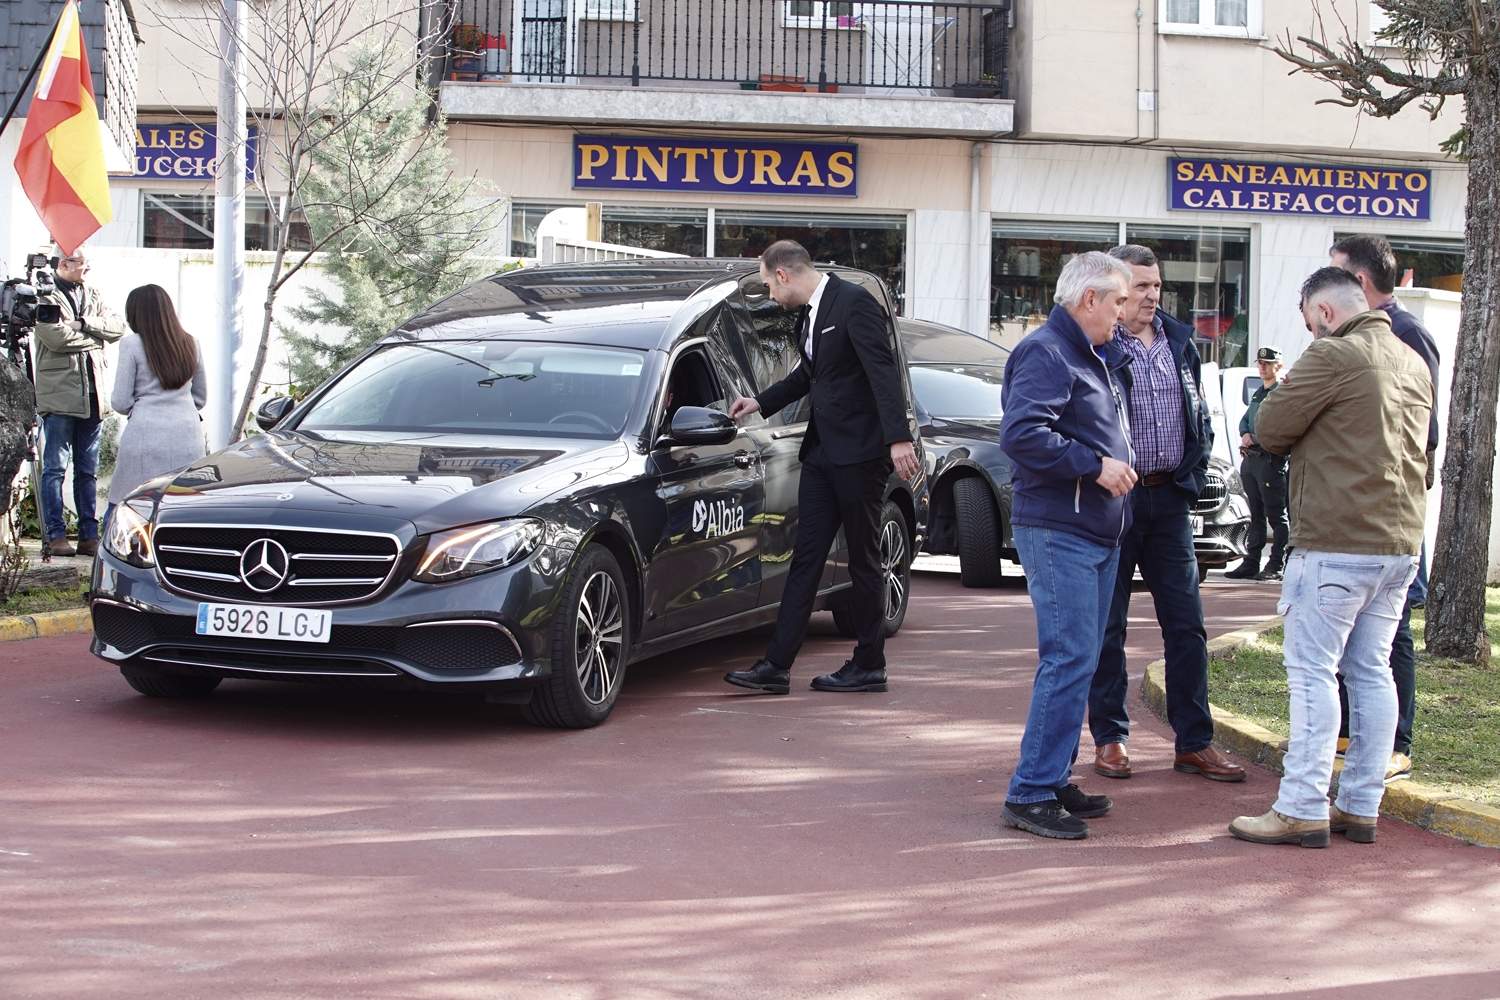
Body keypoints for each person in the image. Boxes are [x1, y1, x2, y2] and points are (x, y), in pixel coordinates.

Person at [1229, 267, 1430, 848]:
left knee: (1313, 673)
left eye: (1306, 318)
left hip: (1336, 542)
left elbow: (1270, 428)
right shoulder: (1410, 360)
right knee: (1372, 671)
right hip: (1398, 543)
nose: (1308, 330)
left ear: (1323, 312)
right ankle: (1360, 805)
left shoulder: (1333, 355)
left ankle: (1301, 806)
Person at [723, 240, 919, 696]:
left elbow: (883, 372)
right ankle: (776, 667)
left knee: (863, 560)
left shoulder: (855, 303)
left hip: (859, 456)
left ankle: (870, 664)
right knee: (806, 558)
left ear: (784, 274)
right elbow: (809, 376)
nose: (771, 294)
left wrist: (898, 438)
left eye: (769, 285)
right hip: (821, 455)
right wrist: (759, 402)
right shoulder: (808, 315)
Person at [1087, 245, 1245, 784]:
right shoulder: (1100, 345)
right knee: (1108, 626)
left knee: (1186, 625)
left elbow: (1197, 414)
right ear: (1116, 289)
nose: (1152, 295)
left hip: (1170, 500)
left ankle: (1194, 742)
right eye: (1141, 286)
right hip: (1116, 502)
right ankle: (1110, 739)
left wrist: (1191, 475)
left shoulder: (1179, 341)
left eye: (1156, 285)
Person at [998, 251, 1137, 840]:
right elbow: (1022, 434)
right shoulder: (1047, 351)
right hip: (1061, 530)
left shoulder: (1087, 353)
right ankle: (1030, 791)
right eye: (1119, 301)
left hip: (1092, 530)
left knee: (1081, 657)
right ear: (1089, 299)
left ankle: (1052, 777)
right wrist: (1094, 466)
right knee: (1069, 657)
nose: (1125, 312)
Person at [1330, 234, 1441, 782]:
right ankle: (1348, 733)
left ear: (1360, 280)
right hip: (1348, 513)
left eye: (1335, 273)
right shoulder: (1346, 335)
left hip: (1390, 512)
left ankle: (1398, 743)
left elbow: (1426, 432)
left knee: (1390, 632)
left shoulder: (1407, 334)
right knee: (1348, 631)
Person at [32, 247, 127, 557]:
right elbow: (55, 338)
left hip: (93, 396)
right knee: (55, 469)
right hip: (59, 397)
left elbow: (118, 326)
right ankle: (56, 535)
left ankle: (88, 536)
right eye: (83, 264)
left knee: (88, 471)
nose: (88, 269)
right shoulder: (45, 296)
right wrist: (96, 338)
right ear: (65, 263)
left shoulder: (93, 293)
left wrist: (84, 323)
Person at [107, 285, 208, 522]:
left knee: (128, 509)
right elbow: (200, 397)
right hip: (188, 435)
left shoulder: (131, 344)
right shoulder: (191, 342)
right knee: (182, 510)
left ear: (135, 314)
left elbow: (120, 401)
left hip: (145, 435)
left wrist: (140, 407)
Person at [1226, 346, 1291, 582]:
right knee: (1255, 515)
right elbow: (1245, 420)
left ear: (1278, 366)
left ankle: (1276, 563)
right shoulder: (1259, 393)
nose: (1262, 367)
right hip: (1252, 460)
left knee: (1276, 515)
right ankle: (1252, 561)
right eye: (1260, 363)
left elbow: (1282, 427)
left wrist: (1255, 438)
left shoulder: (1281, 392)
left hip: (1270, 460)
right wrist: (1245, 434)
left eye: (1267, 363)